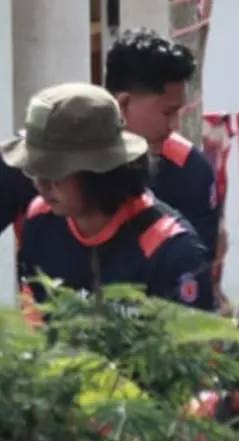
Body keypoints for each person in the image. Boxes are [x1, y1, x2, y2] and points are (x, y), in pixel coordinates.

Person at [3, 32, 222, 270]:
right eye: (167, 113)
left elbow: (194, 273)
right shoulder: (30, 157)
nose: (174, 126)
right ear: (123, 104)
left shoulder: (189, 171)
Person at [2, 83, 216, 316]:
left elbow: (196, 348)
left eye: (56, 172)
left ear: (101, 170)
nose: (41, 185)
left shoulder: (171, 252)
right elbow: (35, 324)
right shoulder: (38, 221)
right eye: (34, 171)